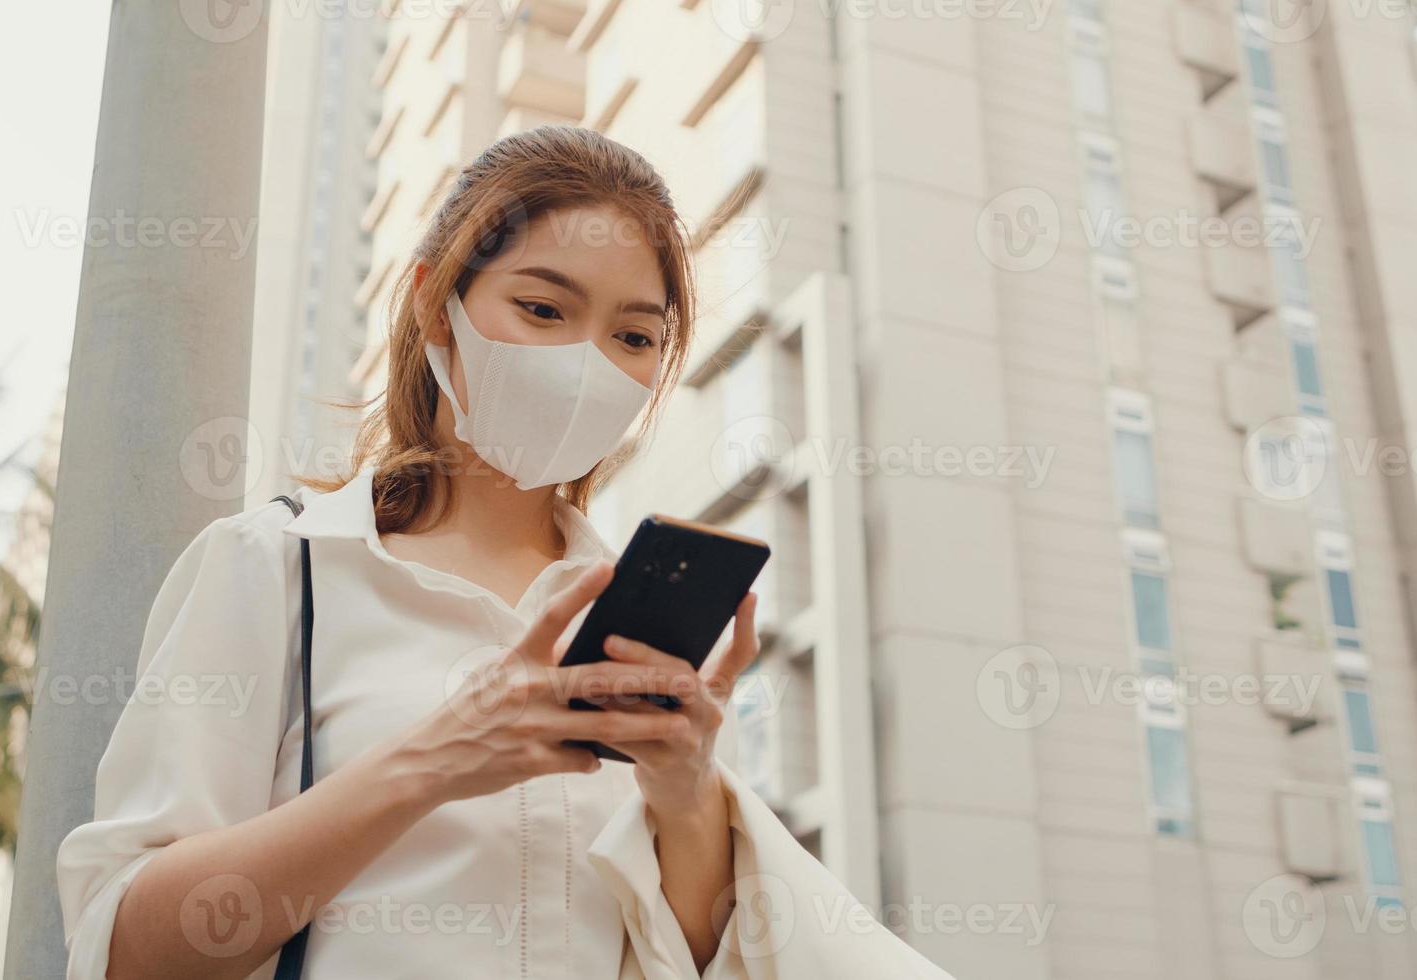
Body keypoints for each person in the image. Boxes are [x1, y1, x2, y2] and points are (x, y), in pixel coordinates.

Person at [54, 124, 954, 980]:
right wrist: (433, 760)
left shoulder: (627, 617)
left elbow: (690, 955)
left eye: (634, 337)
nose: (588, 362)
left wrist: (685, 795)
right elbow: (127, 950)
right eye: (542, 308)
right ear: (435, 307)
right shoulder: (276, 566)